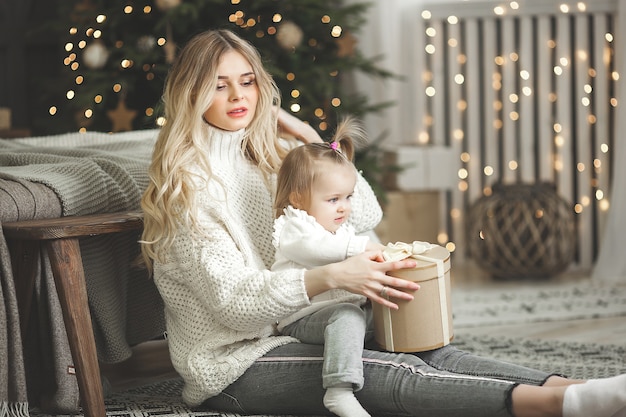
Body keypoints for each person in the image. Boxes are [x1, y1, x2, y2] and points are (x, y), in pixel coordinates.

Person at [140, 28, 626, 417]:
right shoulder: (187, 189)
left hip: (299, 327)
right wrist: (332, 276)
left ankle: (573, 388)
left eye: (246, 81)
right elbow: (233, 307)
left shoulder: (273, 156)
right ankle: (558, 406)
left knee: (422, 350)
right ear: (193, 92)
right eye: (219, 85)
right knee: (383, 373)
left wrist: (313, 141)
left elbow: (365, 212)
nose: (237, 96)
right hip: (234, 365)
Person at [271, 118, 385, 417]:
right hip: (302, 316)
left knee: (381, 312)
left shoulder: (340, 226)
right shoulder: (294, 227)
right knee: (347, 316)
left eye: (347, 197)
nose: (344, 207)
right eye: (333, 199)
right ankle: (339, 390)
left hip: (337, 311)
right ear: (298, 198)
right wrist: (361, 248)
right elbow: (318, 250)